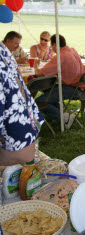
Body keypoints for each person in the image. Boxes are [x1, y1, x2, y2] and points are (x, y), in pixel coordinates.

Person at [0, 37, 44, 166]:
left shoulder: (4, 53)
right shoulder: (4, 52)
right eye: (15, 43)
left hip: (18, 146)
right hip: (20, 145)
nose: (17, 46)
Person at [34, 34, 84, 129]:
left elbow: (40, 74)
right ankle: (60, 115)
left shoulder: (61, 56)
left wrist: (35, 66)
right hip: (79, 86)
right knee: (46, 89)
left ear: (54, 44)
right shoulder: (72, 50)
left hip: (71, 89)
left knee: (38, 101)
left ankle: (65, 117)